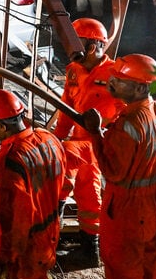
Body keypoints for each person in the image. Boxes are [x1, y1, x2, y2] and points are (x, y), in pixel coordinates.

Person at [81, 54, 156, 279]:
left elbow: (112, 171)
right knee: (155, 269)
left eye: (120, 80)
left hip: (129, 210)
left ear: (140, 86)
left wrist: (96, 133)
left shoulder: (129, 124)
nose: (111, 83)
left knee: (125, 273)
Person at [0, 89, 65, 279]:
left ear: (2, 126)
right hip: (48, 232)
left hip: (24, 246)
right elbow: (63, 184)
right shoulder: (49, 139)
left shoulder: (11, 158)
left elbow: (17, 215)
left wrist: (6, 254)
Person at [50, 17, 121, 262]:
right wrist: (57, 138)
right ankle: (75, 244)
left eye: (75, 42)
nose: (70, 48)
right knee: (72, 182)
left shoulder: (115, 74)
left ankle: (88, 247)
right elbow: (67, 107)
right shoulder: (73, 71)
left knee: (81, 183)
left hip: (102, 142)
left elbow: (128, 110)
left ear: (92, 46)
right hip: (81, 141)